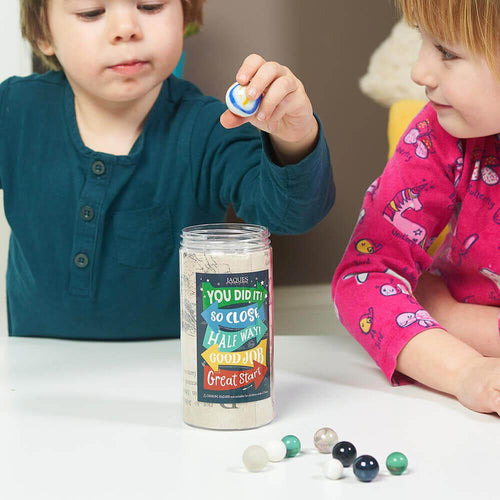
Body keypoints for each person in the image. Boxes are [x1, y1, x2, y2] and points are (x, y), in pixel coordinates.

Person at [0, 0, 334, 340]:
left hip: (173, 377)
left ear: (185, 14)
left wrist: (295, 137)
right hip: (33, 376)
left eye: (150, 6)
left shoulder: (210, 128)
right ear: (43, 32)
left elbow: (292, 214)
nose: (126, 28)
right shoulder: (13, 109)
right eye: (91, 12)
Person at [332, 0, 500, 416]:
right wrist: (465, 372)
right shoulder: (438, 134)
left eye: (447, 52)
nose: (419, 72)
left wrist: (447, 314)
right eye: (422, 39)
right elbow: (363, 276)